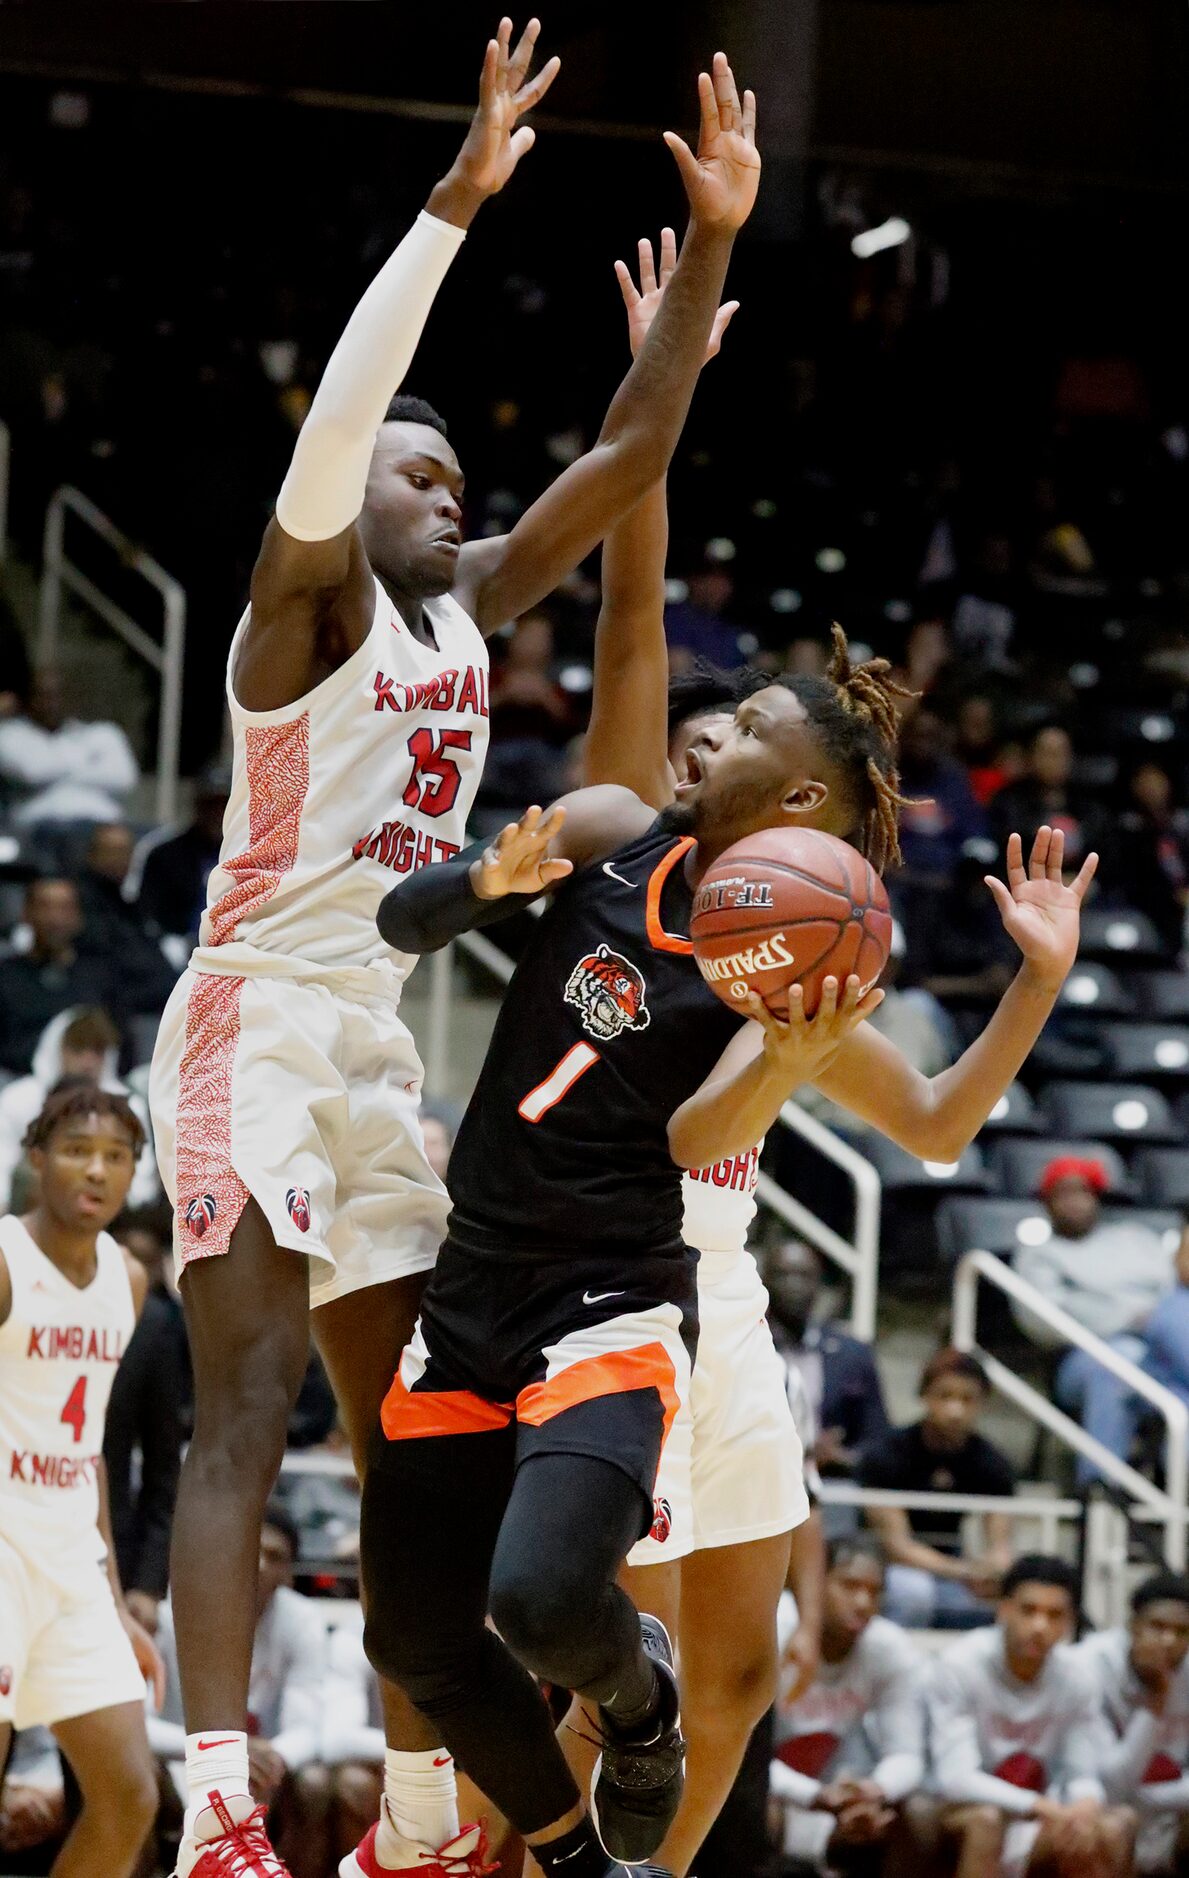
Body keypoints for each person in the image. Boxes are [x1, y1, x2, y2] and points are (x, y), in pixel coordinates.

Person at [147, 22, 764, 1878]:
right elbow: (344, 421)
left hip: (374, 1041)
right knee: (244, 1406)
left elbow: (633, 447)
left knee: (419, 1424)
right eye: (419, 468)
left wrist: (714, 244)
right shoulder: (305, 599)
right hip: (249, 1018)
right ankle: (223, 1804)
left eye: (449, 471)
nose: (444, 482)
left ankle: (420, 1806)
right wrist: (454, 199)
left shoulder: (465, 604)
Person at [358, 547, 1097, 1870]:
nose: (703, 744)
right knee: (569, 1641)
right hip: (615, 1294)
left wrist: (1032, 985)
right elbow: (698, 1128)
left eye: (740, 728)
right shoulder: (618, 838)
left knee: (740, 1676)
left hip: (719, 1290)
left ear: (797, 793)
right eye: (706, 728)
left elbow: (933, 1122)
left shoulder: (803, 945)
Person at [0, 1084, 165, 1877]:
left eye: (116, 1157)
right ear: (36, 1160)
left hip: (69, 1565)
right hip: (1, 1552)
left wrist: (110, 1593)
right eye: (76, 1151)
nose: (95, 1171)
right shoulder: (5, 1259)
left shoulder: (128, 1280)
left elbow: (90, 1444)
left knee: (129, 1795)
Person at [917, 1555, 1136, 1878]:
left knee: (1111, 1827)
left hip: (1035, 1816)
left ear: (1069, 1622)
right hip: (954, 1813)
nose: (1039, 1626)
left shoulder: (1078, 1677)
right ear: (1003, 1610)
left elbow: (1082, 1772)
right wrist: (1040, 1806)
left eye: (1054, 1615)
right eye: (1028, 1611)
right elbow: (956, 1778)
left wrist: (1085, 1806)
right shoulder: (959, 1665)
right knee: (986, 1820)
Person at [149, 1506, 328, 1878]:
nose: (260, 1564)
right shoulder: (169, 1613)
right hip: (179, 1762)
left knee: (314, 1784)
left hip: (264, 1772)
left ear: (289, 1574)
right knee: (136, 1776)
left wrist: (268, 1758)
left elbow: (308, 1729)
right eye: (252, 1549)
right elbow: (138, 1727)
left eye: (275, 1557)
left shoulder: (303, 1620)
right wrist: (229, 1753)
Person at [1013, 1156, 1175, 1482]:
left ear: (1096, 1197)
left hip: (1158, 1351)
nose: (1074, 1202)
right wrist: (1128, 1318)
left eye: (1082, 1192)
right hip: (1082, 1359)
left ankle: (1176, 1490)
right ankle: (1100, 1490)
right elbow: (1042, 1321)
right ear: (1047, 1203)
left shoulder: (1136, 1239)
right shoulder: (1038, 1255)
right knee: (1115, 1370)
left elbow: (1170, 1295)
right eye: (1063, 1194)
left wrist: (1152, 1320)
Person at [770, 1535, 925, 1870]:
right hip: (770, 1789)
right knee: (757, 1807)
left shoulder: (891, 1649)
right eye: (850, 1585)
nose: (862, 1602)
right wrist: (812, 1795)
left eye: (874, 1591)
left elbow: (908, 1754)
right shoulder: (773, 1627)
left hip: (835, 1792)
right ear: (815, 1582)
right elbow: (744, 1764)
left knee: (901, 1816)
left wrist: (874, 1790)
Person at [857, 1349, 1016, 1630]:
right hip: (888, 1562)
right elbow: (897, 1546)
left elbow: (1000, 1546)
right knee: (913, 1594)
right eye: (945, 1396)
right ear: (925, 1396)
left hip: (951, 1560)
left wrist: (993, 1572)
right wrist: (965, 1571)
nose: (955, 1410)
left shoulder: (993, 1463)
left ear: (982, 1404)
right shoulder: (888, 1454)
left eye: (967, 1399)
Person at [1075, 1572, 1189, 1875]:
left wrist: (1149, 1798)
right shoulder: (1089, 1666)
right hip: (1103, 1814)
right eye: (1158, 1627)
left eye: (1182, 1631)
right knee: (1113, 1822)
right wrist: (1156, 1700)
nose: (1169, 1641)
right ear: (1132, 1627)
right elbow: (1111, 1786)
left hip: (1169, 1815)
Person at [0, 1007, 159, 1211]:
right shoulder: (19, 1098)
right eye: (78, 1049)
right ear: (55, 1049)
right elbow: (3, 1160)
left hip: (115, 1215)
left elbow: (142, 1181)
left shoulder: (127, 1104)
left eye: (97, 1051)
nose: (88, 1062)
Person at [764, 1235, 889, 1478]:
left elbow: (878, 1439)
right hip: (757, 1477)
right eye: (783, 1274)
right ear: (763, 1281)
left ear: (820, 1282)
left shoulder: (853, 1353)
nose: (794, 1284)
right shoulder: (742, 1347)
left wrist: (843, 1457)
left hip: (831, 1481)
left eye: (804, 1275)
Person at [0, 878, 122, 1076]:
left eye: (65, 908)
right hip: (18, 1085)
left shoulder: (101, 975)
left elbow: (117, 1041)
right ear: (26, 914)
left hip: (90, 1087)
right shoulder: (5, 975)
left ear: (79, 917)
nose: (55, 919)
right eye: (45, 907)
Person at [0, 667, 139, 832]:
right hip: (39, 829)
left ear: (71, 698)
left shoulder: (103, 732)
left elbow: (123, 779)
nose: (50, 704)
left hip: (101, 826)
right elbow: (32, 772)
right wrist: (87, 761)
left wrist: (57, 769)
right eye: (42, 696)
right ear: (27, 700)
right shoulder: (9, 734)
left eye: (56, 695)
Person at [74, 822, 177, 1019]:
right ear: (92, 855)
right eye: (112, 851)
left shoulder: (126, 902)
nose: (120, 859)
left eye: (125, 852)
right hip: (118, 1007)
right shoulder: (82, 901)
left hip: (150, 1001)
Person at [131, 766, 231, 942]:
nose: (217, 814)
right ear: (197, 806)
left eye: (224, 806)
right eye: (210, 805)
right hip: (178, 945)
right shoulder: (164, 854)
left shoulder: (252, 855)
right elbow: (148, 914)